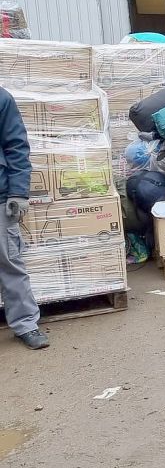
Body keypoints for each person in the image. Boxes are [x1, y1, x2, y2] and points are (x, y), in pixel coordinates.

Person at [0, 86, 48, 350]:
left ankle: (25, 324)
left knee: (9, 261)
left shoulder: (1, 98)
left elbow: (16, 145)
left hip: (0, 195)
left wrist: (18, 192)